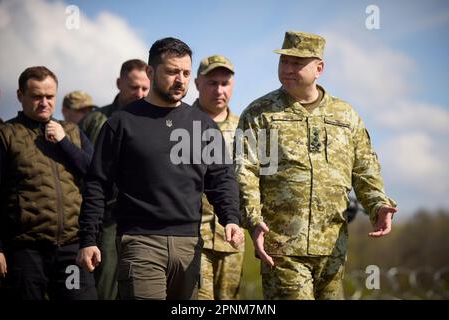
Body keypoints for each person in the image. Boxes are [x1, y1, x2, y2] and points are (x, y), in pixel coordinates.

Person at [76, 37, 244, 300]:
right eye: (172, 71)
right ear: (151, 72)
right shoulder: (121, 124)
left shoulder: (203, 126)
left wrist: (231, 218)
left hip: (189, 244)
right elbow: (97, 183)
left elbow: (221, 178)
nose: (180, 80)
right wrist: (88, 238)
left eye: (186, 73)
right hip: (140, 242)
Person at [235, 31, 397, 300]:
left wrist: (378, 205)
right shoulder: (259, 113)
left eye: (296, 63)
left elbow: (365, 168)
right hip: (282, 247)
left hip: (333, 247)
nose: (287, 69)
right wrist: (253, 220)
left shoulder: (345, 115)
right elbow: (245, 170)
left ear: (319, 68)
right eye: (284, 62)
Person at [0, 66, 96, 300]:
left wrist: (64, 143)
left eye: (49, 96)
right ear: (20, 96)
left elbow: (95, 177)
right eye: (36, 96)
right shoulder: (6, 134)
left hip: (71, 251)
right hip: (25, 251)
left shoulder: (72, 132)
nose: (44, 102)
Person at [78, 59, 150, 300]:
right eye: (133, 88)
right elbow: (80, 170)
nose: (139, 94)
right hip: (107, 218)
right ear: (119, 83)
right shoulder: (96, 120)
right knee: (106, 284)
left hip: (143, 219)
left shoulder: (153, 120)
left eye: (145, 88)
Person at [193, 55, 245, 300]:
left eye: (225, 83)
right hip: (192, 236)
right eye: (212, 83)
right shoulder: (179, 123)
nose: (219, 90)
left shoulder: (245, 129)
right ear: (197, 84)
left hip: (233, 238)